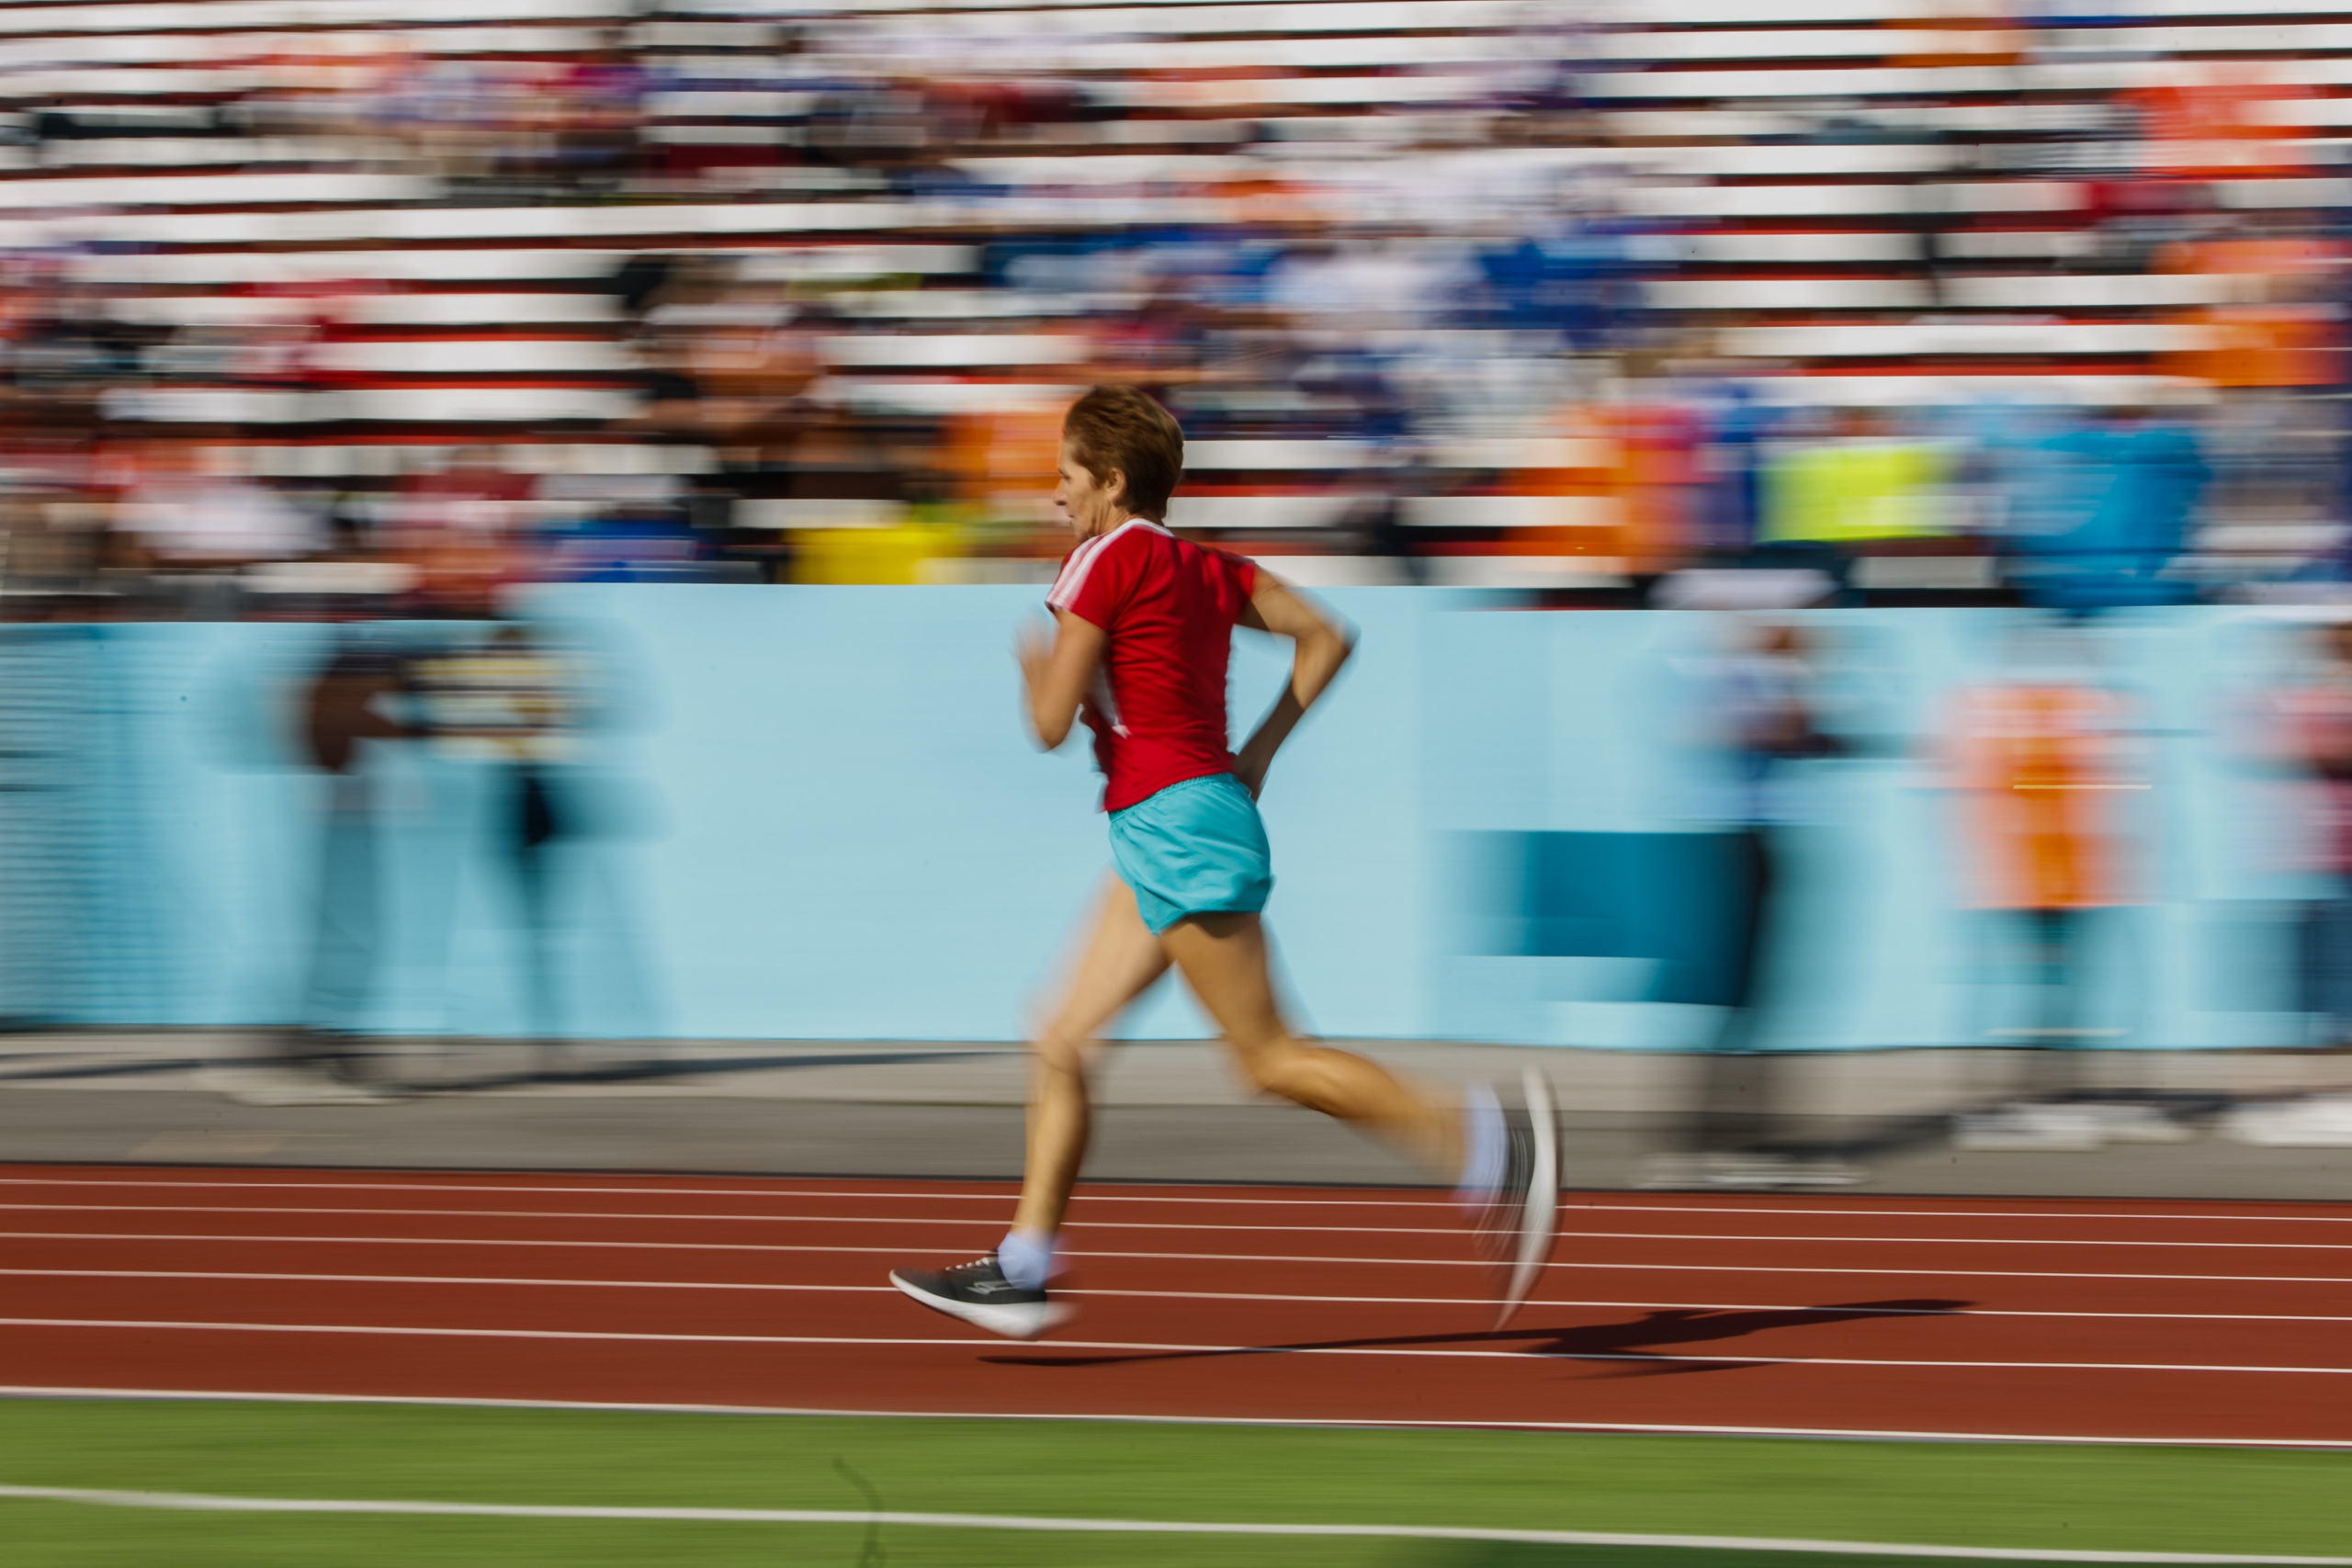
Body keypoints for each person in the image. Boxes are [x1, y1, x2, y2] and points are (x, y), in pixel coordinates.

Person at [889, 386, 1558, 1341]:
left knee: (1270, 1059)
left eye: (1067, 477)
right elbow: (1328, 634)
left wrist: (1036, 668)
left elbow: (1046, 728)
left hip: (1174, 827)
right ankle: (1024, 1266)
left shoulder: (1096, 566)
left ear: (1111, 482)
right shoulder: (1206, 566)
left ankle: (1489, 1150)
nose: (1055, 494)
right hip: (1174, 820)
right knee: (1061, 1037)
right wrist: (1258, 752)